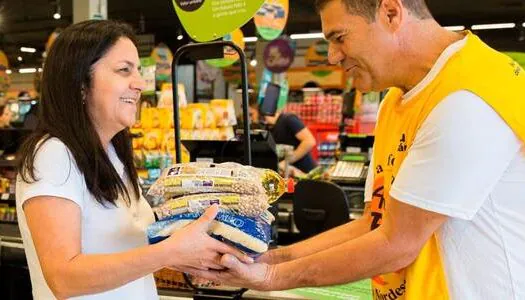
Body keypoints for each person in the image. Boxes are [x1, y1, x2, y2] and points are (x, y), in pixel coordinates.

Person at [189, 0, 525, 299]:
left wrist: (271, 277)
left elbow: (396, 245)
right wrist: (275, 258)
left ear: (391, 12)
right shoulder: (396, 101)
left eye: (339, 37)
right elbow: (375, 222)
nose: (333, 56)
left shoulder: (467, 99)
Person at [16, 20, 253, 300]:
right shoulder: (54, 154)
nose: (139, 84)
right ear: (80, 82)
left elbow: (129, 252)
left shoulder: (113, 154)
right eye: (123, 70)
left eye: (138, 71)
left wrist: (191, 254)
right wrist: (170, 250)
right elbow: (63, 277)